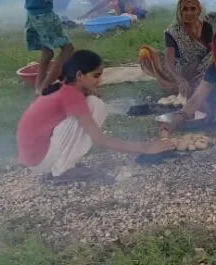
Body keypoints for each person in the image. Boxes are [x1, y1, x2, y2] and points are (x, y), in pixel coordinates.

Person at [17, 50, 174, 180]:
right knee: (95, 105)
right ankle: (63, 169)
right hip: (39, 160)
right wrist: (144, 148)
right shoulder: (72, 96)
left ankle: (63, 163)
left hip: (33, 158)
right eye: (96, 75)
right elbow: (100, 140)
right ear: (79, 75)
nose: (99, 80)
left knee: (92, 103)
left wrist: (88, 90)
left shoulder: (64, 88)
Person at [139, 0, 214, 96]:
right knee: (145, 53)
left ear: (198, 10)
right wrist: (180, 80)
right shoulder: (173, 31)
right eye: (185, 9)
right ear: (180, 11)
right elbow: (169, 61)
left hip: (202, 68)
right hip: (183, 69)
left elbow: (212, 50)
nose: (189, 13)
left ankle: (203, 83)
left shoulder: (206, 27)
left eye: (193, 9)